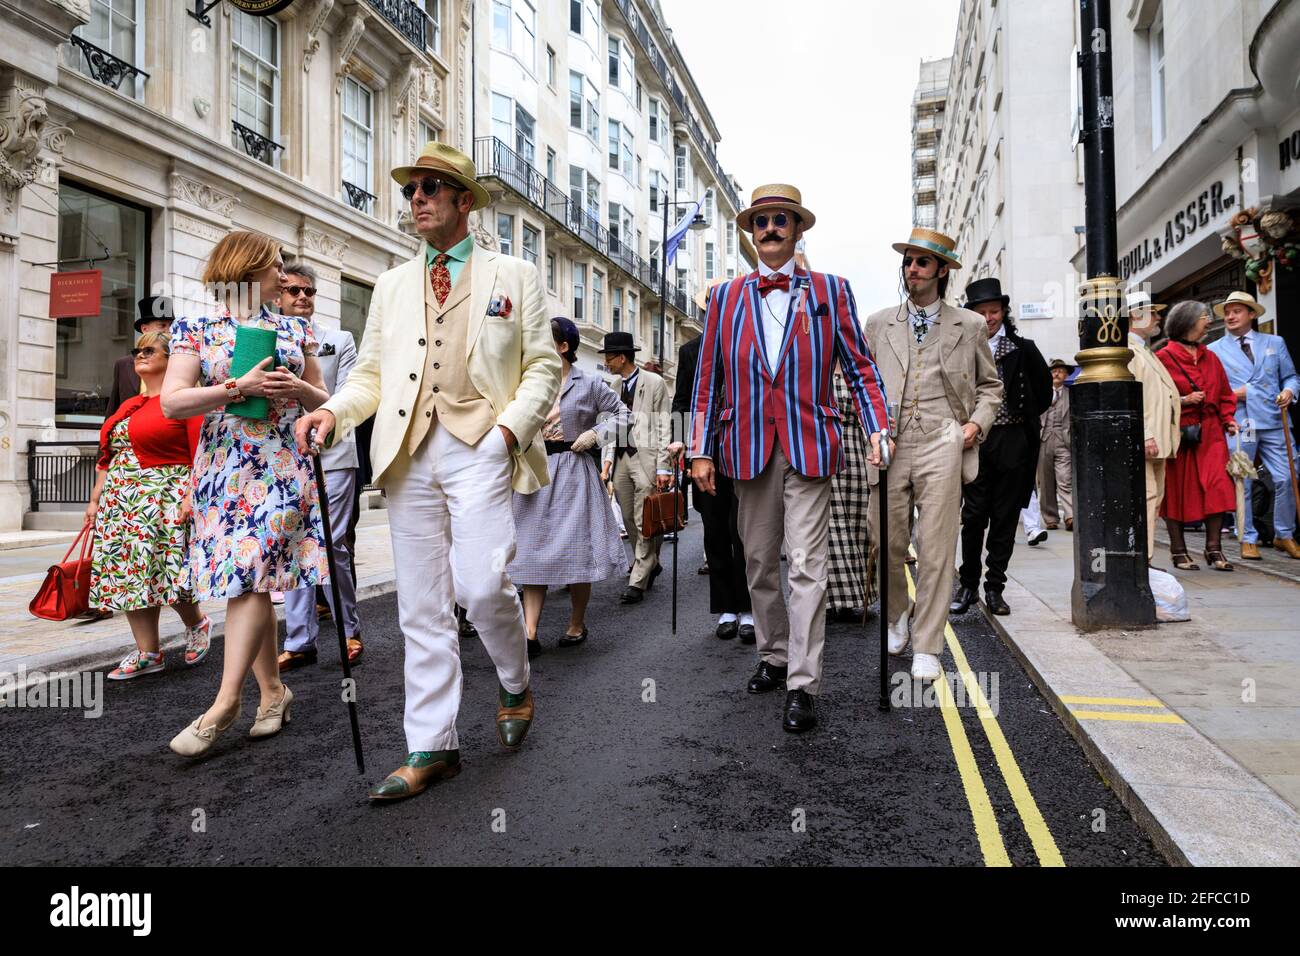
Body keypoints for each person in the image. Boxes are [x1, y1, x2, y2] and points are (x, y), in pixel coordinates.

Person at [295, 142, 560, 802]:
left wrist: (507, 431)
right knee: (420, 606)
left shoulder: (515, 274)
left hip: (483, 443)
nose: (417, 198)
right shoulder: (389, 284)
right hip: (408, 451)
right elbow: (372, 377)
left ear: (464, 201)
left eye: (431, 188)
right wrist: (331, 413)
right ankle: (433, 745)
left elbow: (543, 366)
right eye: (412, 189)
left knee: (480, 582)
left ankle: (514, 676)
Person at [689, 183, 891, 732]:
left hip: (808, 445)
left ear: (798, 229)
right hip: (747, 447)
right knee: (758, 561)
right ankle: (774, 654)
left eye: (781, 220)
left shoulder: (831, 291)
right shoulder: (726, 298)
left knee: (806, 565)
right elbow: (708, 381)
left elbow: (861, 368)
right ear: (751, 233)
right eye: (761, 222)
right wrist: (701, 449)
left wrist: (878, 426)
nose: (771, 230)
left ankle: (803, 682)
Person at [162, 231, 330, 759]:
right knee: (246, 584)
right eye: (275, 266)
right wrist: (239, 389)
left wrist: (299, 392)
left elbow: (327, 398)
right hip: (222, 467)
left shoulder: (295, 328)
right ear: (247, 267)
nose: (284, 276)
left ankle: (224, 703)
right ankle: (275, 693)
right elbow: (172, 403)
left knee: (253, 573)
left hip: (283, 464)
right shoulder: (195, 327)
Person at [863, 228, 1002, 681]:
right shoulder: (879, 322)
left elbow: (990, 387)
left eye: (922, 262)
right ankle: (896, 613)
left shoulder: (970, 324)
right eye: (907, 262)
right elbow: (863, 386)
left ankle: (927, 643)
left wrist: (974, 425)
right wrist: (872, 429)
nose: (912, 270)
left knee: (937, 546)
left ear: (942, 270)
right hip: (891, 443)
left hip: (945, 440)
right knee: (885, 538)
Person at [87, 330, 212, 679]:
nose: (140, 355)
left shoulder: (186, 401)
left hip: (165, 496)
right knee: (129, 575)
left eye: (150, 350)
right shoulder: (130, 404)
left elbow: (200, 453)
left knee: (167, 570)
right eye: (136, 350)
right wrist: (96, 498)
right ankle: (148, 652)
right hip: (122, 499)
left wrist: (190, 495)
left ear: (172, 359)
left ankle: (197, 624)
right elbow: (107, 457)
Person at [511, 318, 627, 657]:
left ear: (564, 347)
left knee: (576, 550)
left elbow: (625, 414)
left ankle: (576, 623)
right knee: (531, 550)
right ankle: (530, 633)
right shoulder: (526, 383)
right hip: (535, 472)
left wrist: (596, 434)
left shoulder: (589, 383)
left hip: (575, 472)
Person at [274, 260, 364, 672]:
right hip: (281, 457)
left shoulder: (340, 338)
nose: (302, 297)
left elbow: (343, 398)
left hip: (334, 453)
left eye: (308, 291)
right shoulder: (264, 337)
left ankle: (349, 631)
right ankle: (299, 640)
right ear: (278, 295)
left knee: (333, 543)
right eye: (293, 290)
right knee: (294, 545)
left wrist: (299, 391)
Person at [951, 277, 1052, 616]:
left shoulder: (1024, 349)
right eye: (982, 312)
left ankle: (995, 587)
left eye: (994, 311)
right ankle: (968, 585)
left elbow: (1043, 394)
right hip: (975, 441)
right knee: (974, 514)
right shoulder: (962, 350)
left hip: (1013, 443)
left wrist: (1018, 424)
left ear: (1003, 312)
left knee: (1005, 517)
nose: (989, 318)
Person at [670, 326, 754, 642]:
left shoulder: (746, 342)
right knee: (714, 531)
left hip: (744, 452)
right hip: (704, 453)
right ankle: (726, 609)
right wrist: (679, 440)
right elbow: (680, 402)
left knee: (743, 531)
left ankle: (748, 608)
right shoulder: (690, 351)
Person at [1207, 291, 1300, 560]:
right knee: (1242, 480)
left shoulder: (1274, 342)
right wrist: (1234, 395)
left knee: (1286, 476)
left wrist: (1289, 392)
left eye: (1237, 311)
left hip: (1274, 419)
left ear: (1251, 314)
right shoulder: (1214, 350)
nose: (1230, 316)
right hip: (1240, 422)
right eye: (1227, 312)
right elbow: (1213, 389)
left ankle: (1284, 533)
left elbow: (1291, 377)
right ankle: (1247, 537)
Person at [1155, 300, 1239, 571]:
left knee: (1218, 488)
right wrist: (1183, 399)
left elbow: (1225, 393)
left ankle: (1214, 549)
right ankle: (1178, 550)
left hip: (1212, 432)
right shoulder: (1163, 358)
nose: (1208, 320)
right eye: (1204, 316)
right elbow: (1155, 399)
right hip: (1181, 433)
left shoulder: (1211, 356)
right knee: (1178, 491)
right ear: (1188, 322)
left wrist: (1228, 419)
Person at [600, 331, 673, 605]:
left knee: (644, 517)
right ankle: (651, 559)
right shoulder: (613, 387)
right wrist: (607, 462)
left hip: (646, 458)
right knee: (629, 516)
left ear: (621, 357)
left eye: (609, 357)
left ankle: (638, 578)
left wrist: (664, 466)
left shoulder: (654, 382)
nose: (606, 362)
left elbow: (666, 424)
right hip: (621, 458)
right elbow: (610, 425)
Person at [1127, 291, 1182, 562]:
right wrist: (1146, 434)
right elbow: (1132, 397)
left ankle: (1145, 558)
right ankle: (1143, 559)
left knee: (1154, 498)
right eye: (1153, 311)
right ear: (1135, 315)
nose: (1158, 317)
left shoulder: (1144, 348)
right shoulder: (1130, 349)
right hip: (1147, 440)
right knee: (1147, 498)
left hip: (1158, 440)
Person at [826, 368, 874, 623]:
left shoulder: (855, 370)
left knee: (857, 530)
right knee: (829, 533)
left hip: (855, 455)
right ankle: (828, 599)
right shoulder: (814, 366)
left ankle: (853, 598)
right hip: (823, 452)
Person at [104, 296, 174, 419]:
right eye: (162, 325)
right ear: (145, 329)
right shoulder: (123, 365)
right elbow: (113, 410)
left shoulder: (181, 362)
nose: (168, 331)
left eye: (171, 326)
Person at [1037, 358, 1074, 531]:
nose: (1057, 373)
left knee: (1065, 479)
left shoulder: (1071, 395)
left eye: (1060, 370)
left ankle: (1070, 516)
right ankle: (1050, 518)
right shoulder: (1041, 392)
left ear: (1066, 375)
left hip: (1063, 441)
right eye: (1053, 371)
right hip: (1043, 440)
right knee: (1045, 482)